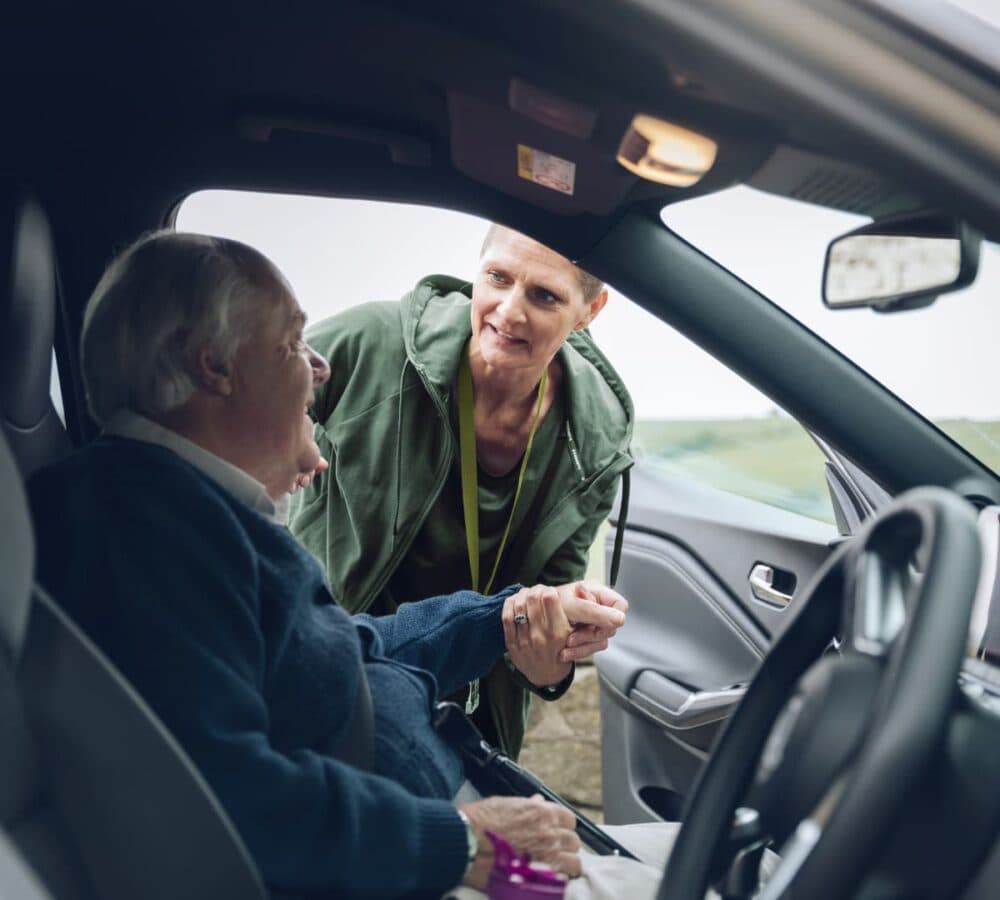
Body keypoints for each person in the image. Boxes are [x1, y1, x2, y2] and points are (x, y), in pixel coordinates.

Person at [27, 231, 634, 899]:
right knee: (656, 878)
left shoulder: (196, 513)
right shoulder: (143, 528)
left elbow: (348, 648)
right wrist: (459, 841)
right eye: (292, 343)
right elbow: (220, 795)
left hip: (429, 820)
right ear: (215, 367)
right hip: (417, 856)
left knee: (647, 870)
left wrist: (500, 617)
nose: (318, 368)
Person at [290, 224, 634, 757]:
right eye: (497, 277)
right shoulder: (367, 343)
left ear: (590, 311)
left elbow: (545, 625)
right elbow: (234, 418)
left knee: (522, 841)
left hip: (465, 726)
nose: (509, 311)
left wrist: (549, 660)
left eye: (544, 295)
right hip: (336, 674)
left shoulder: (596, 434)